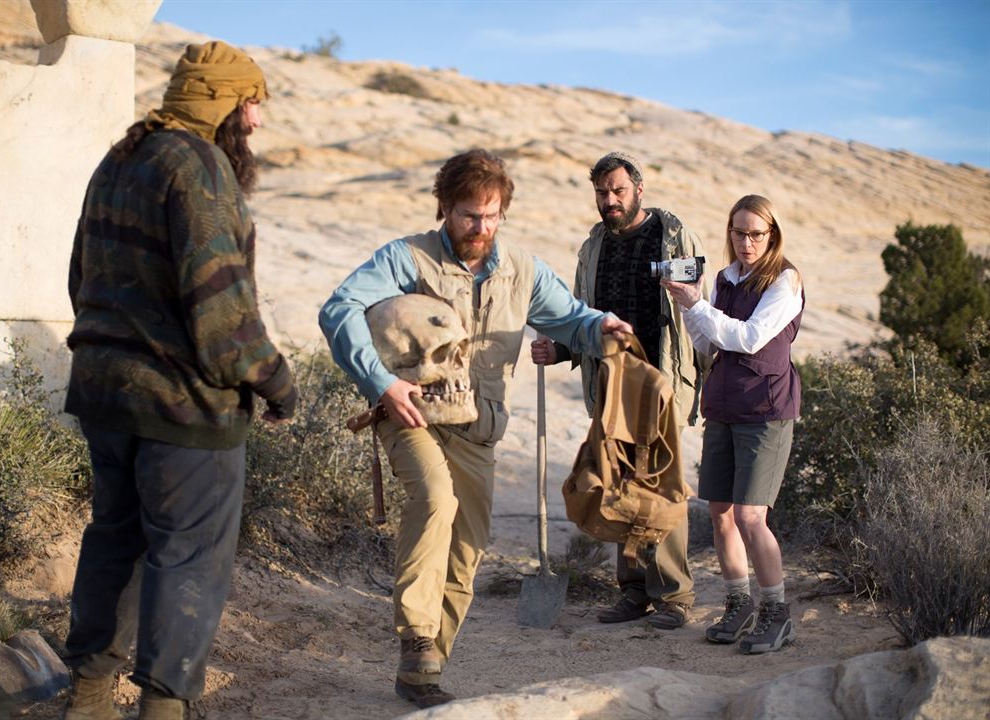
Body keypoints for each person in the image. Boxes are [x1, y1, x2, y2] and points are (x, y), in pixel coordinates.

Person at [319, 149, 634, 709]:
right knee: (436, 499)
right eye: (469, 215)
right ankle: (416, 635)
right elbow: (339, 307)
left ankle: (424, 668)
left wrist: (602, 325)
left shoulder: (523, 270)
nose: (480, 228)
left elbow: (572, 319)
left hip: (479, 427)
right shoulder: (405, 257)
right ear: (445, 208)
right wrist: (380, 383)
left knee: (467, 546)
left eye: (491, 216)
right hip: (411, 411)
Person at [63, 41, 297, 720]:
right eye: (251, 103)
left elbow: (80, 276)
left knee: (114, 538)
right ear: (223, 103)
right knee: (188, 558)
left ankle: (89, 698)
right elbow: (223, 316)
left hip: (104, 396)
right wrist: (276, 382)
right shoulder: (200, 168)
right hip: (182, 409)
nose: (256, 121)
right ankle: (163, 709)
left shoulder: (120, 157)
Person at [531, 152, 708, 630]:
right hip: (610, 382)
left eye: (618, 191)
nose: (609, 201)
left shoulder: (672, 235)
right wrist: (562, 350)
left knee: (663, 485)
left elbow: (697, 312)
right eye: (602, 193)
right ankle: (633, 592)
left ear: (638, 190)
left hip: (662, 381)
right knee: (617, 483)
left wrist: (706, 379)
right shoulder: (593, 245)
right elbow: (581, 317)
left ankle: (675, 595)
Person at [662, 194, 803, 654]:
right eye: (739, 233)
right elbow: (707, 346)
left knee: (750, 515)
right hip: (723, 405)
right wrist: (688, 305)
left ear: (772, 234)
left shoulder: (785, 280)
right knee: (720, 512)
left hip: (766, 409)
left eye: (756, 233)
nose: (746, 242)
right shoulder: (725, 279)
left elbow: (748, 337)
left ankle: (777, 615)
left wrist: (700, 306)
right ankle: (739, 605)